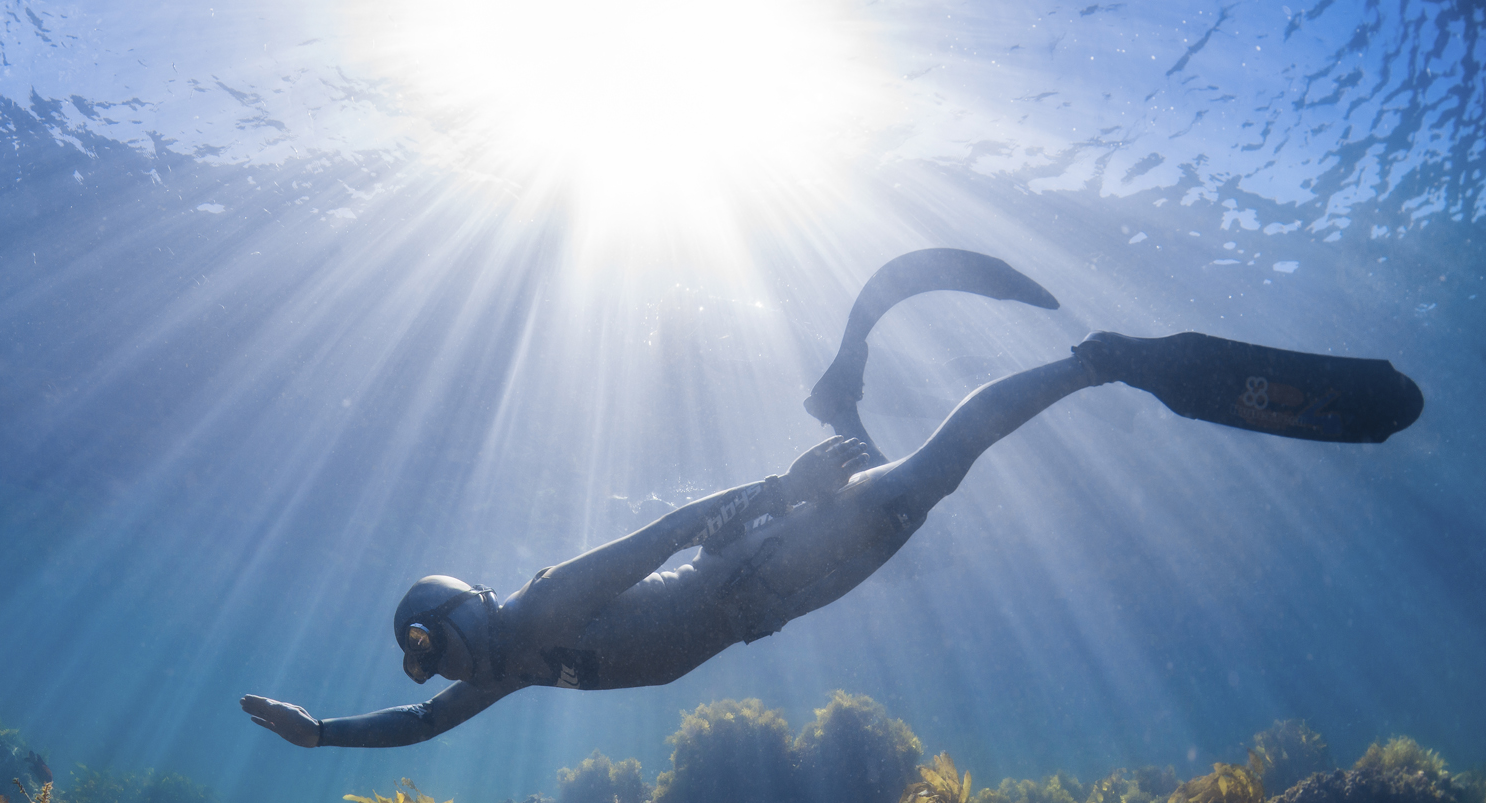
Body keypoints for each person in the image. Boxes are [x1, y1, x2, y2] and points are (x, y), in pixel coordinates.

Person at [241, 249, 1422, 750]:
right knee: (910, 489)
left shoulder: (538, 611)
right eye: (420, 661)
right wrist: (316, 736)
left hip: (761, 566)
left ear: (460, 613)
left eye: (424, 648)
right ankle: (843, 399)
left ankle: (1096, 362)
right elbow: (411, 731)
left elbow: (653, 537)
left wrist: (775, 488)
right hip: (765, 593)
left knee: (924, 484)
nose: (429, 673)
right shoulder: (500, 667)